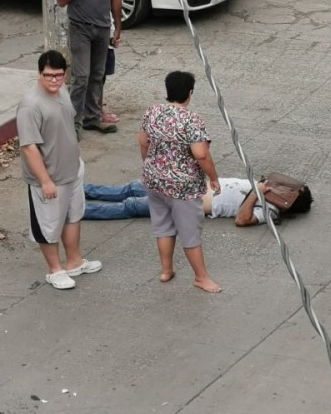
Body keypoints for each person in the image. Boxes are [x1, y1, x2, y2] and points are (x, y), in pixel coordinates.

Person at [16, 50, 102, 290]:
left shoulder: (62, 91)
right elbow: (29, 147)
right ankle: (54, 270)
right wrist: (44, 180)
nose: (53, 80)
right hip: (50, 177)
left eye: (58, 75)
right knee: (48, 224)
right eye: (48, 75)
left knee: (73, 216)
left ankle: (74, 261)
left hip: (72, 170)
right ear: (39, 74)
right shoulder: (29, 106)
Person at [138, 71, 222, 293]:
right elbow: (201, 154)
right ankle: (201, 277)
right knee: (189, 230)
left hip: (154, 180)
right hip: (182, 186)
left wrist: (152, 166)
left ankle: (166, 270)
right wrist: (213, 177)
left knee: (162, 224)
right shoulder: (191, 120)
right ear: (190, 93)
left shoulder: (153, 112)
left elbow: (143, 142)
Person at [57, 0, 121, 137]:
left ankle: (92, 118)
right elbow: (61, 0)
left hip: (102, 29)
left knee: (97, 75)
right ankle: (73, 123)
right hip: (79, 28)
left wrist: (118, 27)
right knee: (81, 77)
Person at [84, 177, 313, 226]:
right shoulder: (265, 184)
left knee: (131, 205)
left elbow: (242, 219)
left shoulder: (270, 210)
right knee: (131, 188)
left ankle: (76, 212)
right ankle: (79, 190)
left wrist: (257, 192)